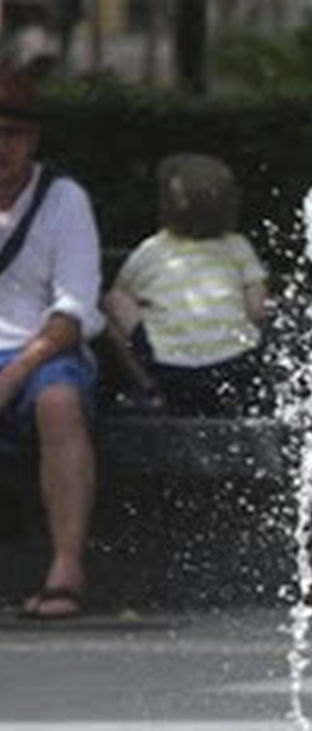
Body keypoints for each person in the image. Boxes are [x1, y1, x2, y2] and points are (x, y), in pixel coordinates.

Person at [0, 67, 103, 619]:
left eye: (11, 135)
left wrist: (13, 375)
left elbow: (74, 311)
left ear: (32, 140)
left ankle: (66, 567)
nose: (1, 149)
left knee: (59, 404)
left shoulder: (64, 201)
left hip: (43, 352)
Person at [101, 153, 268, 417]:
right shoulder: (237, 247)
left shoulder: (151, 251)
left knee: (113, 300)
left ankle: (149, 389)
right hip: (236, 369)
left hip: (171, 372)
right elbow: (258, 310)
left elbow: (121, 296)